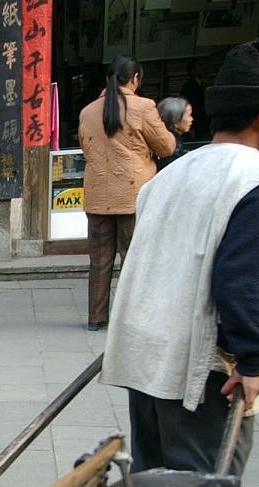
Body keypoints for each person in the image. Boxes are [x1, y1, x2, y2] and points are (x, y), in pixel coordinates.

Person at [101, 40, 259, 476]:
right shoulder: (257, 182)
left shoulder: (170, 175)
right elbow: (238, 281)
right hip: (198, 372)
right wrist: (252, 361)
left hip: (145, 357)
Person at [78, 55, 176, 331]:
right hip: (133, 194)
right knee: (133, 260)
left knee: (99, 261)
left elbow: (87, 151)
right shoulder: (143, 107)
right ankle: (133, 318)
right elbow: (167, 146)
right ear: (135, 79)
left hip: (98, 194)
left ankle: (96, 318)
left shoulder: (87, 112)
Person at [155, 97, 193, 170]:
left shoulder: (169, 140)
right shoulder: (172, 146)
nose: (191, 119)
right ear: (175, 121)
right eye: (189, 115)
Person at [180, 59, 209, 139]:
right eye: (199, 66)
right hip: (195, 125)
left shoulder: (201, 84)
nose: (203, 68)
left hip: (203, 123)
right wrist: (191, 128)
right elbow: (190, 107)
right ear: (192, 71)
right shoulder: (189, 87)